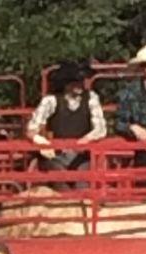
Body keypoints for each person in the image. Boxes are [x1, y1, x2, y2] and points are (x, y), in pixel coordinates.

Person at [26, 61, 107, 190]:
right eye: (75, 81)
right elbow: (31, 128)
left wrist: (84, 141)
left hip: (83, 155)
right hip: (57, 155)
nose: (80, 84)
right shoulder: (51, 100)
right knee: (60, 181)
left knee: (83, 182)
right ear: (65, 83)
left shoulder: (91, 98)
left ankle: (83, 204)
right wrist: (42, 142)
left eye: (81, 80)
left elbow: (100, 129)